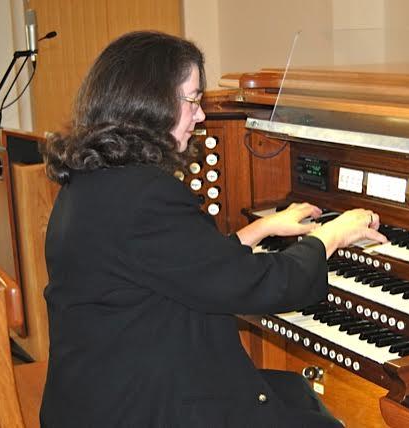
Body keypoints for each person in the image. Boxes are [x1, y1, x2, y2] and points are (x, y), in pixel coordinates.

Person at [39, 31, 386, 427]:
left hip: (102, 396)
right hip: (143, 407)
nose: (201, 116)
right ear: (150, 104)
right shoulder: (145, 194)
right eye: (192, 99)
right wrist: (331, 236)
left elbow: (178, 264)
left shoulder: (94, 179)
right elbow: (260, 285)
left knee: (294, 393)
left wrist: (260, 230)